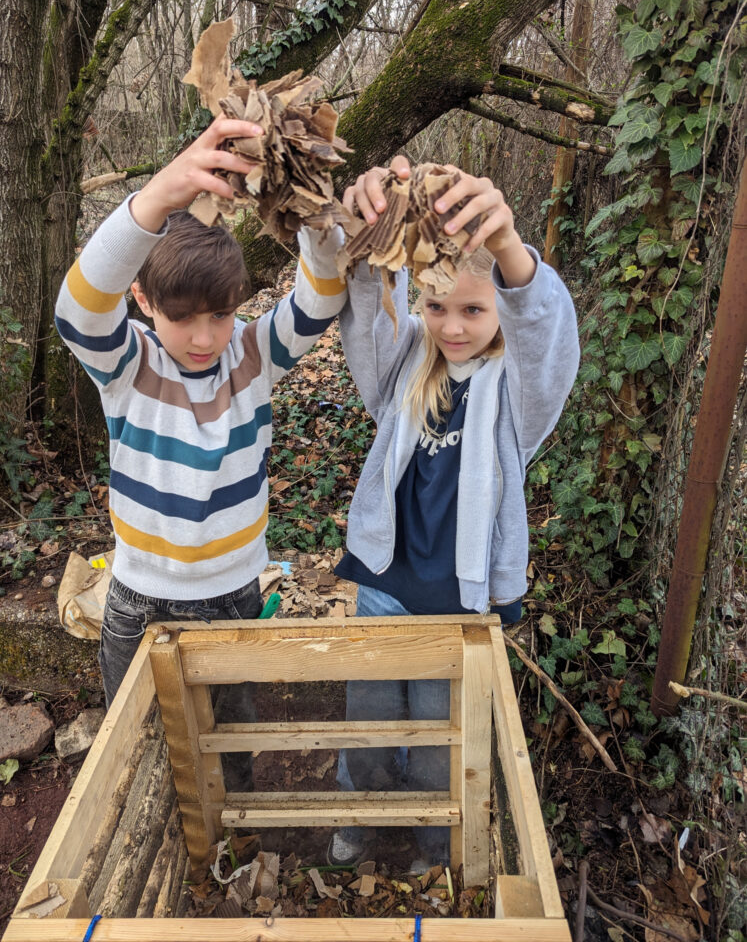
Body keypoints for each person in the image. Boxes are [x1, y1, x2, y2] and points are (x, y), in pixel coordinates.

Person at [55, 114, 347, 787]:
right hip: (138, 598)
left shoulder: (253, 353)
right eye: (181, 315)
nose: (203, 336)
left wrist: (300, 200)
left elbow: (321, 293)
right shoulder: (127, 365)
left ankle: (231, 840)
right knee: (136, 745)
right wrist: (156, 200)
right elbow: (77, 311)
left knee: (231, 739)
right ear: (142, 301)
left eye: (219, 313)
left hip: (232, 595)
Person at [329, 157, 580, 867]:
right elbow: (370, 315)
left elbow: (548, 339)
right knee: (370, 719)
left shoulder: (518, 393)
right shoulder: (407, 361)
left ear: (498, 307)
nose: (452, 326)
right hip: (384, 582)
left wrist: (507, 250)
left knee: (444, 731)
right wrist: (377, 233)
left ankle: (433, 839)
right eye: (438, 306)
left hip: (461, 596)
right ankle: (359, 818)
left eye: (473, 309)